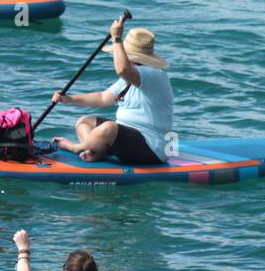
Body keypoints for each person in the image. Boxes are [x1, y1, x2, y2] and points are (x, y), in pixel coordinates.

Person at [50, 17, 174, 165]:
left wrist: (117, 38)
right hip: (125, 140)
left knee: (109, 127)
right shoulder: (131, 78)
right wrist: (70, 99)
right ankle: (95, 150)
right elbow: (103, 98)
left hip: (154, 148)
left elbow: (122, 69)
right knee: (84, 122)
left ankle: (75, 147)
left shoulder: (154, 74)